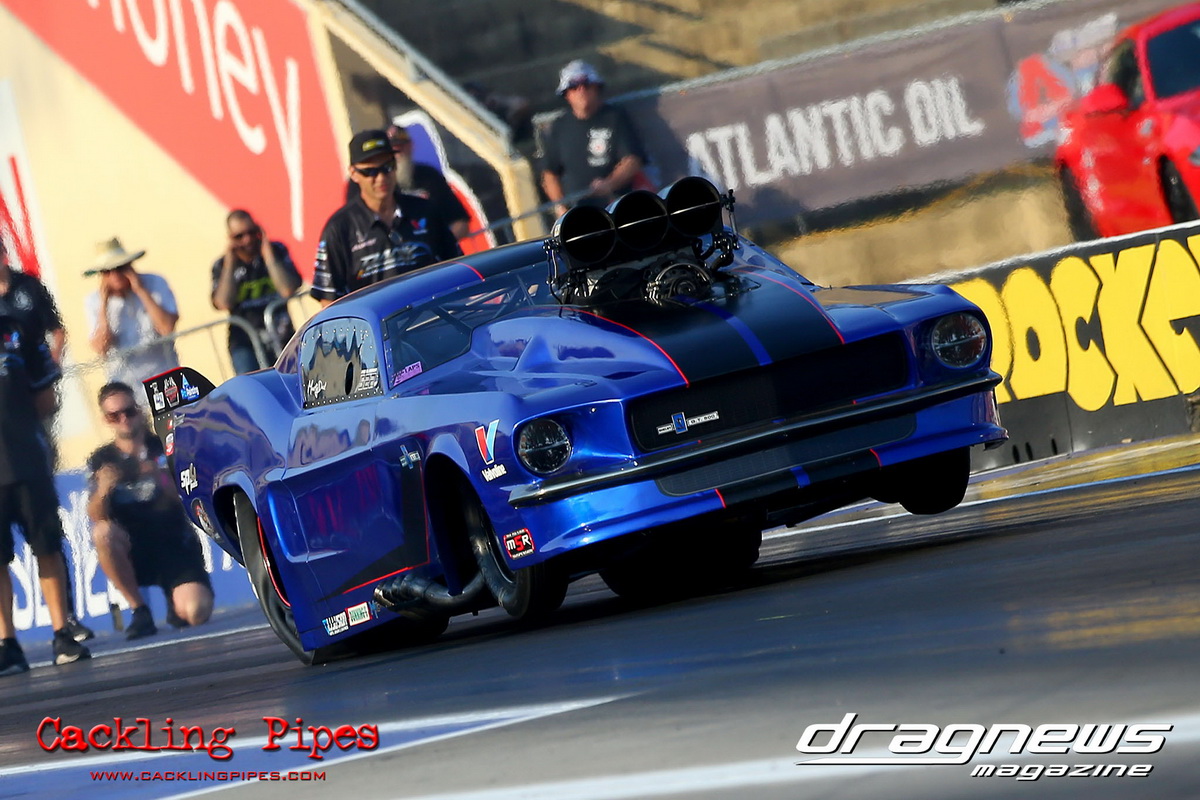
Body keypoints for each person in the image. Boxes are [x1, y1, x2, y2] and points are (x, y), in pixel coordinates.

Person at [0, 308, 91, 675]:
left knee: (46, 546)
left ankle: (61, 633)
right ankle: (7, 644)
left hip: (27, 460)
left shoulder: (18, 328)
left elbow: (47, 399)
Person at [86, 382, 214, 640]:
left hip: (172, 541)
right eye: (114, 416)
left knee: (196, 611)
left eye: (129, 412)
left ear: (139, 410)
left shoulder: (164, 446)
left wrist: (160, 477)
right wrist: (104, 489)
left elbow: (189, 497)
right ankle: (139, 608)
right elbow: (95, 514)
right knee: (103, 534)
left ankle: (175, 603)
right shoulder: (102, 459)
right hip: (132, 544)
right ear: (106, 420)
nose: (124, 420)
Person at [313, 129, 461, 308]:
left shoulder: (425, 210)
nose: (381, 177)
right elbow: (328, 300)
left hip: (434, 317)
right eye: (370, 172)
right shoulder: (339, 228)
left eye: (387, 167)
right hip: (377, 325)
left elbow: (458, 268)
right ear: (354, 174)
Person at [540, 60, 650, 217]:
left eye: (586, 84)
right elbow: (550, 174)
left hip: (618, 208)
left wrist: (610, 184)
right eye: (574, 87)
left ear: (597, 87)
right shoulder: (559, 126)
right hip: (578, 213)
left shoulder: (615, 117)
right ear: (566, 94)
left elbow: (633, 160)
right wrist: (561, 206)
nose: (581, 90)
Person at [344, 126, 473, 241]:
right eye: (393, 149)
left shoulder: (429, 176)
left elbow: (459, 221)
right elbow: (353, 223)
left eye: (402, 146)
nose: (381, 177)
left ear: (411, 145)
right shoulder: (363, 181)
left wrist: (437, 243)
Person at [211, 210, 302, 373]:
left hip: (282, 335)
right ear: (230, 238)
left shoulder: (277, 250)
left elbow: (287, 289)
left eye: (251, 232)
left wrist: (268, 256)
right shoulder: (221, 265)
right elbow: (223, 303)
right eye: (239, 236)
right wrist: (230, 263)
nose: (247, 240)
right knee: (253, 386)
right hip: (244, 342)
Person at [84, 238, 179, 390]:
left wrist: (141, 291)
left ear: (130, 266)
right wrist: (104, 304)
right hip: (126, 385)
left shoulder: (155, 283)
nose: (115, 275)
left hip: (164, 377)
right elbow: (101, 347)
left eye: (120, 267)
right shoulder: (94, 301)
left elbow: (167, 328)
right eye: (107, 271)